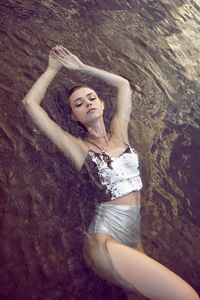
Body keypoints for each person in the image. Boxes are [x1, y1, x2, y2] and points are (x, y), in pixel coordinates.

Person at [22, 45, 199, 300]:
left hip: (133, 242)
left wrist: (81, 67)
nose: (88, 104)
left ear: (102, 104)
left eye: (92, 98)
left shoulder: (120, 133)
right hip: (104, 243)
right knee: (186, 296)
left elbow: (123, 85)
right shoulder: (80, 149)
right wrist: (53, 69)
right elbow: (30, 103)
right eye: (79, 104)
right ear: (74, 116)